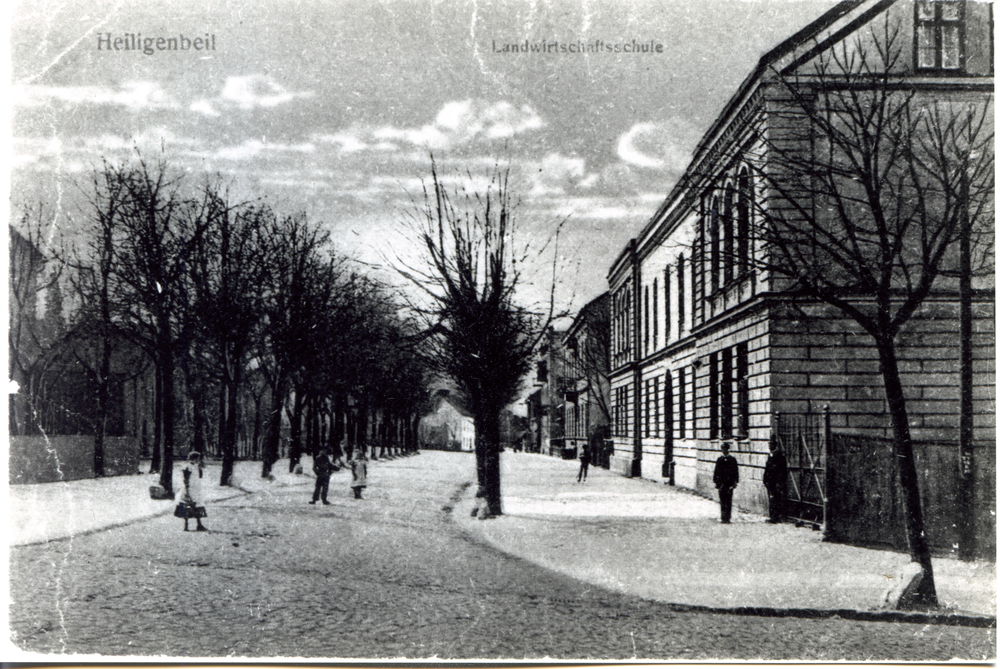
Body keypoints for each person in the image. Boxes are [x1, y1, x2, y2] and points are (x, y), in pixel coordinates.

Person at [179, 451, 208, 532]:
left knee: (197, 506)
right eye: (197, 458)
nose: (198, 460)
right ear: (194, 458)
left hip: (195, 489)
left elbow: (200, 476)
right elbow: (186, 479)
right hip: (189, 489)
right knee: (188, 506)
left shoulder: (195, 466)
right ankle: (186, 526)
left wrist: (200, 468)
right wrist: (187, 490)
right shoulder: (187, 466)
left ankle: (199, 524)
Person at [712, 442, 739, 524]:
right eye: (723, 449)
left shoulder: (732, 459)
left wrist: (735, 482)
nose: (724, 451)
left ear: (728, 450)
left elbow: (735, 472)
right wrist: (716, 482)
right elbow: (716, 471)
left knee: (729, 501)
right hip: (721, 484)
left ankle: (728, 518)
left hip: (729, 483)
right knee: (722, 501)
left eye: (725, 449)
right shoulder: (719, 460)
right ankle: (723, 518)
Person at [763, 440, 789, 523]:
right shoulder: (770, 455)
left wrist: (779, 482)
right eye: (769, 444)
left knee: (775, 499)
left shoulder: (779, 456)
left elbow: (782, 470)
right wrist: (765, 479)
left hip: (776, 481)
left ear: (775, 445)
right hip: (770, 481)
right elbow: (767, 468)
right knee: (771, 498)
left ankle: (775, 517)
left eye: (771, 444)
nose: (769, 446)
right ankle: (772, 516)